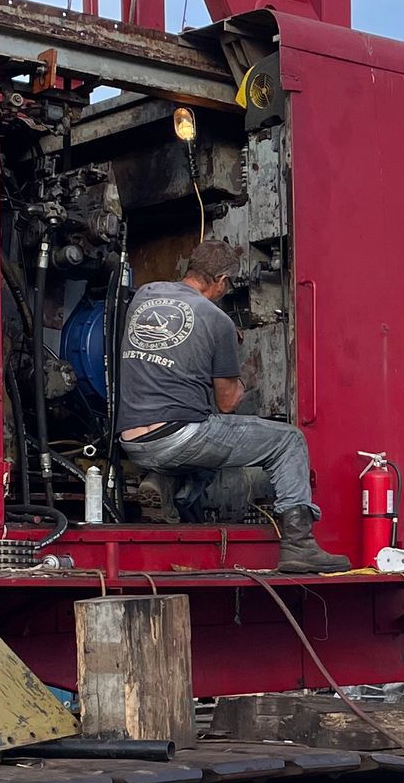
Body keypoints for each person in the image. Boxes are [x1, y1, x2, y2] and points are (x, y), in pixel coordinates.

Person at [118, 239, 351, 573]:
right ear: (222, 281)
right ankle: (299, 545)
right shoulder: (218, 321)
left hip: (133, 441)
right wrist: (244, 373)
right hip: (177, 437)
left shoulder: (146, 295)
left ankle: (167, 486)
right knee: (289, 440)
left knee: (207, 432)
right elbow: (227, 403)